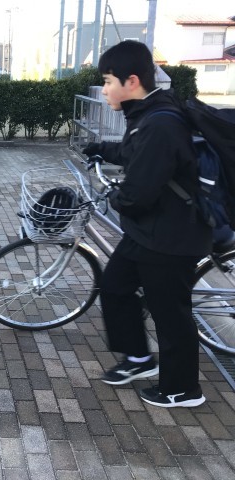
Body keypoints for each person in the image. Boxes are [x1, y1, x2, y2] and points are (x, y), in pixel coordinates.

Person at [82, 40, 211, 408]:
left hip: (172, 237)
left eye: (108, 81)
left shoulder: (160, 123)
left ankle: (183, 390)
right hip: (149, 232)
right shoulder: (148, 114)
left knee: (171, 315)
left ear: (132, 81)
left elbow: (138, 195)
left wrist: (114, 197)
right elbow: (133, 153)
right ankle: (139, 358)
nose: (104, 89)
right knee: (114, 287)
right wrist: (102, 150)